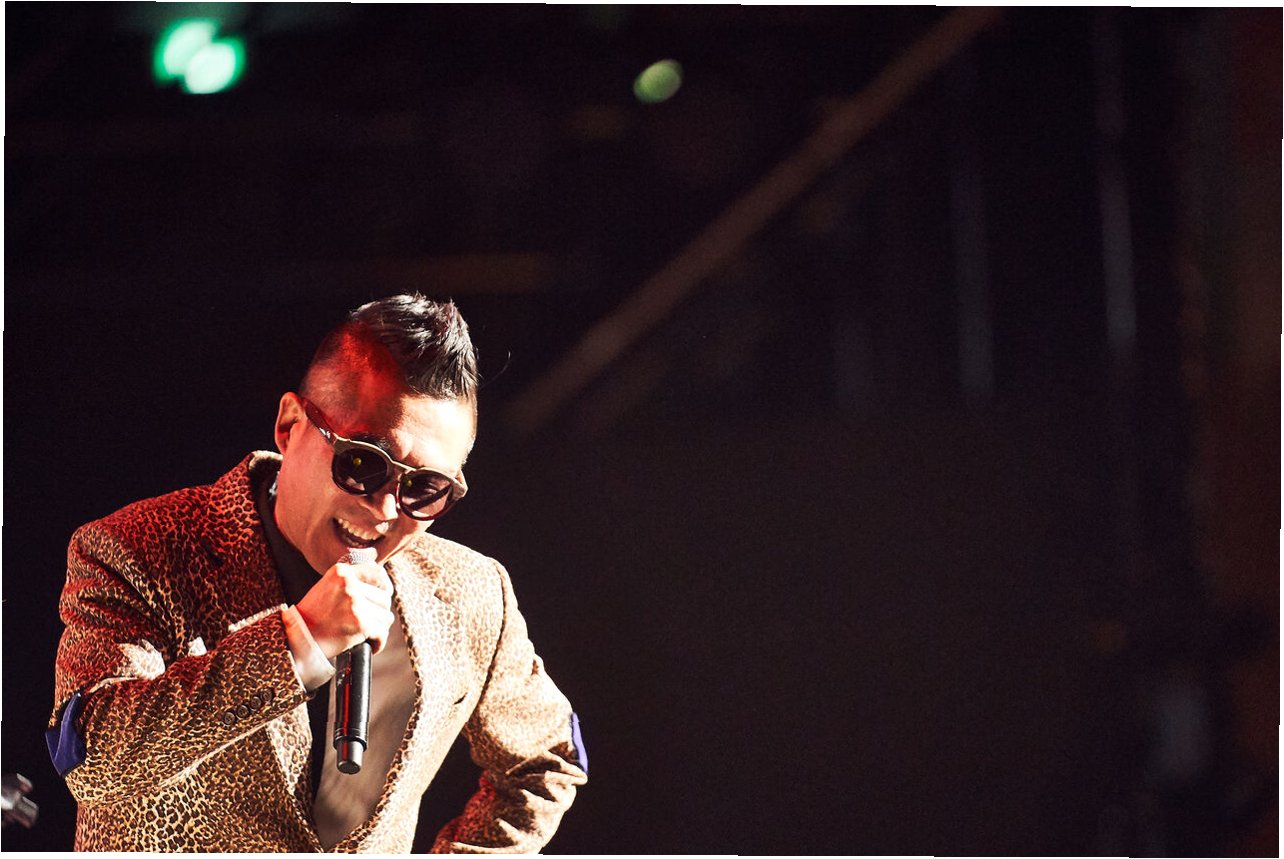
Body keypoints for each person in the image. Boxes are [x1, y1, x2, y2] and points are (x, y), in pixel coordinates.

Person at [46, 295, 587, 852]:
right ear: (290, 425)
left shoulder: (470, 592)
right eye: (363, 462)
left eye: (424, 488)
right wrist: (298, 643)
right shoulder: (140, 547)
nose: (385, 508)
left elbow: (549, 760)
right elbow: (92, 763)